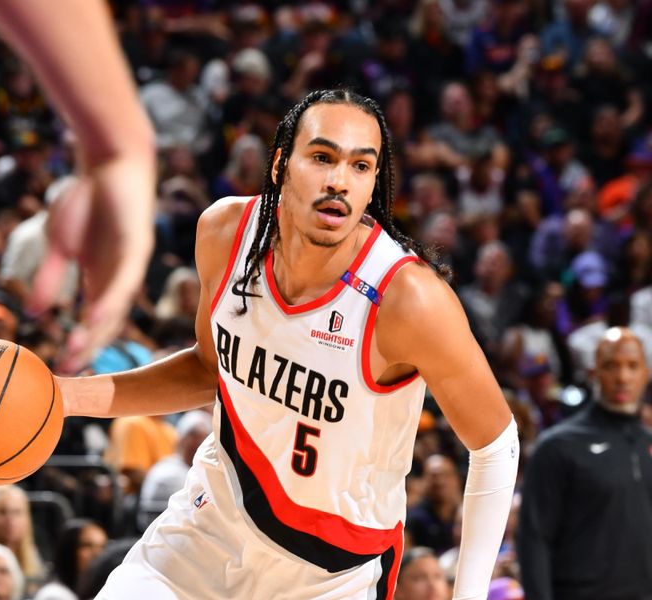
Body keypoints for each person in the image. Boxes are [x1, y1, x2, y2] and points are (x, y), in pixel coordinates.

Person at [56, 89, 518, 599]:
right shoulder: (226, 232)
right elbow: (207, 371)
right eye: (322, 158)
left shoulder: (406, 299)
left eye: (361, 167)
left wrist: (468, 593)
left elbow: (496, 445)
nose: (339, 181)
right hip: (206, 530)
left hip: (328, 574)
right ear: (281, 164)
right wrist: (67, 398)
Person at [0, 0, 156, 373]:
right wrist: (120, 145)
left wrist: (118, 146)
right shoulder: (30, 236)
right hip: (30, 318)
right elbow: (10, 279)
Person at [517, 326, 652, 599]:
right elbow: (534, 538)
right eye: (611, 366)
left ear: (646, 375)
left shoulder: (646, 442)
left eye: (632, 366)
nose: (623, 377)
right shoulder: (557, 446)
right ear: (593, 373)